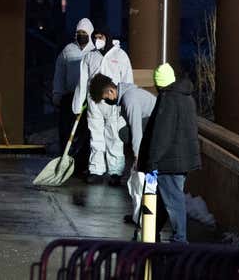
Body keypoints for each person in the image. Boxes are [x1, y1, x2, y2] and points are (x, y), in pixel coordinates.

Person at [137, 63, 201, 243]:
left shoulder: (168, 99)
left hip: (168, 161)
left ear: (159, 83)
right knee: (163, 199)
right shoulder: (186, 97)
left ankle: (180, 238)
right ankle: (152, 231)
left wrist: (152, 161)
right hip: (182, 159)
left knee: (173, 200)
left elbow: (161, 134)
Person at [88, 74, 157, 225]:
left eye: (105, 97)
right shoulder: (127, 96)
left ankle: (146, 219)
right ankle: (138, 215)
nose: (106, 101)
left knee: (146, 181)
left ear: (112, 91)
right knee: (138, 182)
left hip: (155, 137)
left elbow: (137, 128)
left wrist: (138, 155)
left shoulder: (130, 99)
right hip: (151, 134)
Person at [73, 30, 133, 185]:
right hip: (94, 104)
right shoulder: (89, 56)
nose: (98, 40)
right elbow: (83, 81)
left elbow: (128, 80)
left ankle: (115, 172)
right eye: (95, 37)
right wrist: (78, 104)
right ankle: (96, 169)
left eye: (101, 37)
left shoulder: (120, 56)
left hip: (114, 104)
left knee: (115, 137)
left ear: (108, 36)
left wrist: (126, 102)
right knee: (96, 137)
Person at [52, 18, 94, 171]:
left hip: (88, 100)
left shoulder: (95, 51)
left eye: (84, 32)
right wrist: (57, 92)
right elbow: (59, 73)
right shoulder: (68, 50)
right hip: (69, 97)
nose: (81, 35)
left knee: (85, 133)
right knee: (65, 131)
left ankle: (81, 164)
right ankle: (64, 161)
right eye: (79, 32)